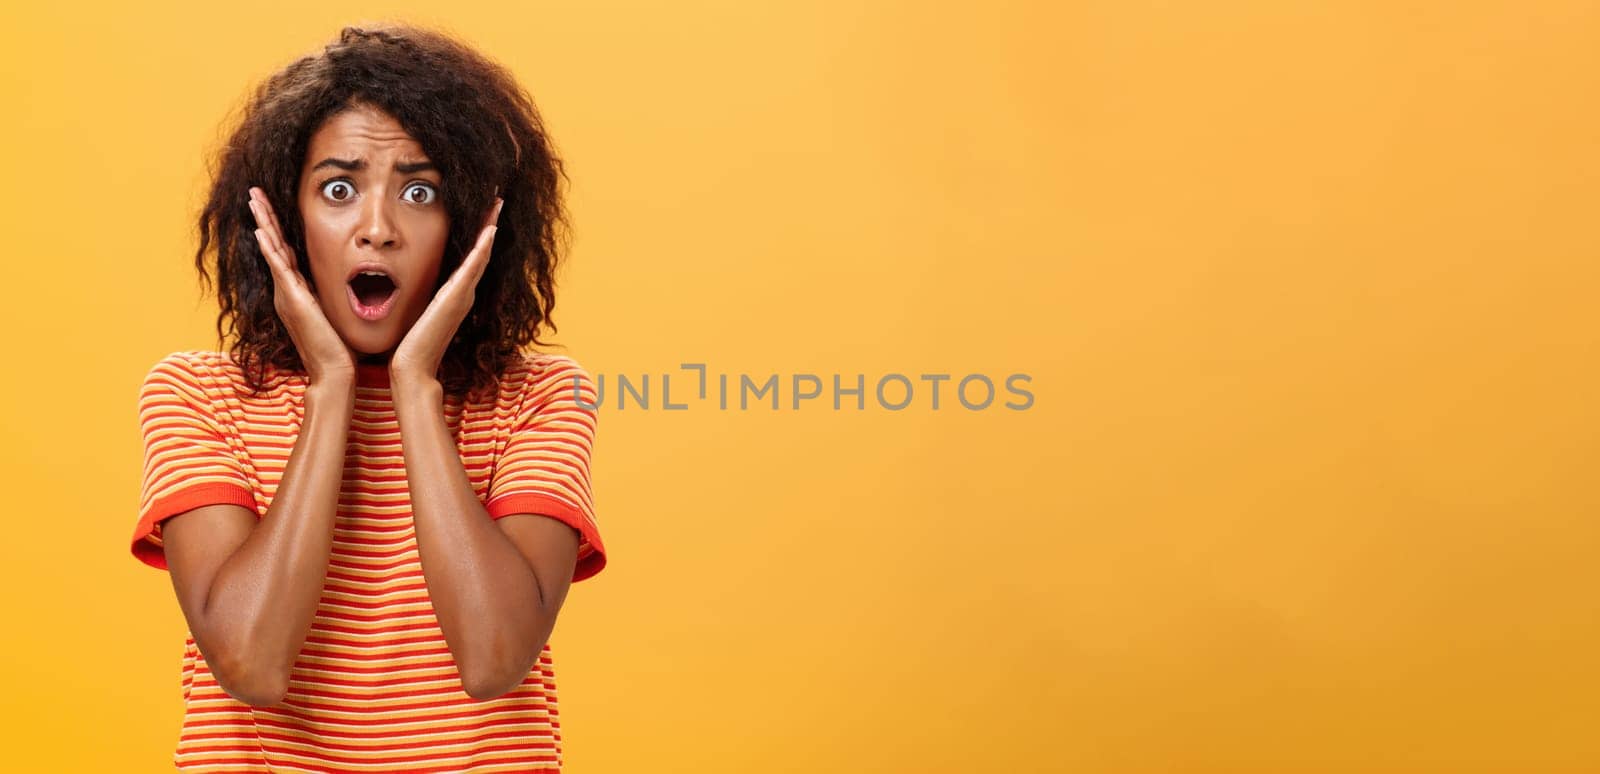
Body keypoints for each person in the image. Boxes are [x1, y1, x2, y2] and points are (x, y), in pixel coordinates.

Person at [129, 23, 607, 772]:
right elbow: (251, 664)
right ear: (284, 220)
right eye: (339, 189)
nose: (377, 229)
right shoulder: (198, 394)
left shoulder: (540, 398)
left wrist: (417, 387)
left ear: (473, 228)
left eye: (420, 192)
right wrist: (331, 389)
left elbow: (493, 659)